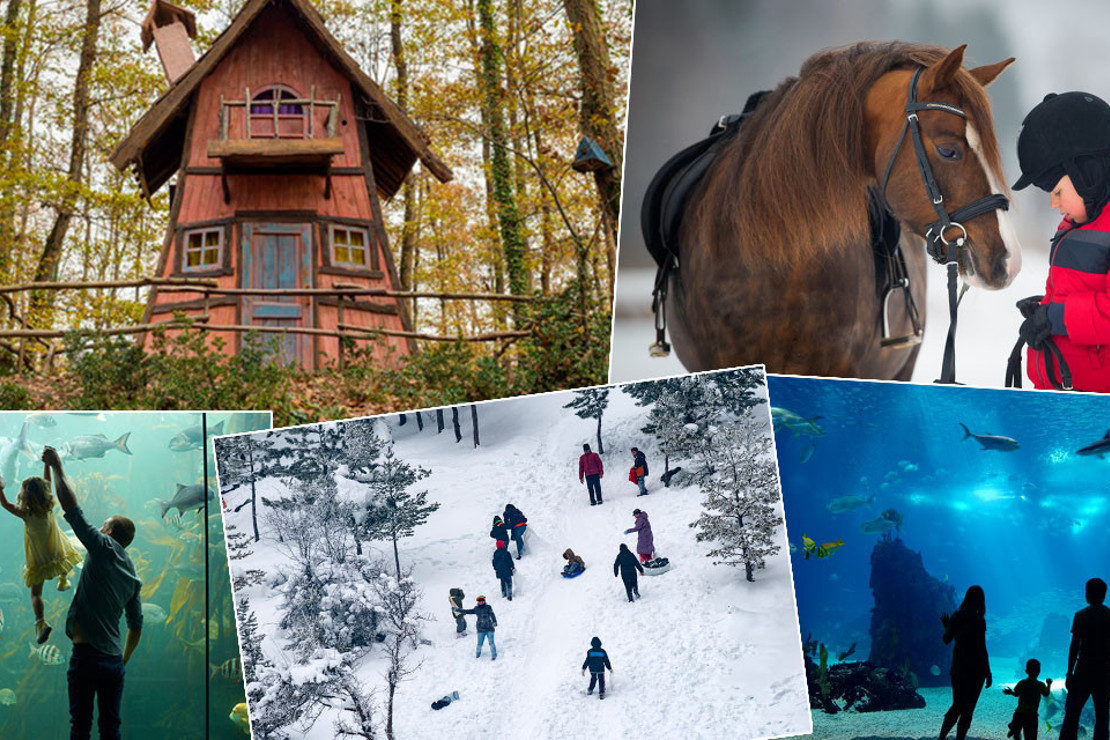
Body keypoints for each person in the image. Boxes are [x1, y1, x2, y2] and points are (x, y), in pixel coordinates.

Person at [1011, 91, 1110, 391]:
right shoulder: (1076, 225)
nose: (1055, 205)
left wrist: (1058, 317)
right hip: (1067, 403)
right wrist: (1044, 312)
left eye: (1056, 192)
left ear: (1088, 172)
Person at [42, 445, 142, 740]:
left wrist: (58, 466)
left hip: (87, 657)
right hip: (113, 663)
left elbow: (72, 511)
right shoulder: (132, 575)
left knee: (80, 728)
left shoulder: (102, 547)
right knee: (111, 728)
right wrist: (121, 661)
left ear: (109, 533)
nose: (98, 529)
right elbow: (136, 626)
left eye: (103, 526)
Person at [0, 470, 83, 644]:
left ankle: (40, 623)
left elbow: (5, 504)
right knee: (66, 555)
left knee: (36, 594)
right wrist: (46, 463)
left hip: (39, 559)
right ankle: (63, 579)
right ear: (45, 493)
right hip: (56, 552)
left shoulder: (25, 514)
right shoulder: (49, 508)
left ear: (24, 496)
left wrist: (0, 487)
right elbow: (48, 481)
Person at [938, 585, 992, 740]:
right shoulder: (979, 620)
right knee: (968, 709)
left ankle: (941, 737)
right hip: (977, 670)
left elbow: (946, 640)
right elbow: (982, 648)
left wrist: (947, 626)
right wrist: (988, 672)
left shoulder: (956, 616)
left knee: (957, 705)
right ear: (980, 601)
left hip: (959, 668)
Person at [1059, 577, 1110, 740]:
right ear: (1104, 595)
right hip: (1104, 671)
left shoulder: (1081, 615)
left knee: (1072, 713)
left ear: (1087, 594)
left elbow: (1074, 646)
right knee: (1102, 715)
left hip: (1083, 669)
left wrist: (1069, 672)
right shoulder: (1109, 616)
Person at [1003, 658, 1051, 740]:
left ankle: (1013, 728)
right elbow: (1046, 694)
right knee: (1031, 736)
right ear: (1039, 672)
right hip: (1032, 715)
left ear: (1026, 671)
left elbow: (1016, 694)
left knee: (1017, 731)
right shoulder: (1040, 685)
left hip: (1020, 713)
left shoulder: (1022, 683)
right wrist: (1049, 684)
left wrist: (1010, 692)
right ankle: (1014, 728)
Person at [459, 595, 497, 661]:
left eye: (482, 601)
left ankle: (494, 655)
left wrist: (494, 621)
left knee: (491, 643)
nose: (481, 602)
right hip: (480, 629)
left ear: (484, 601)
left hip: (489, 628)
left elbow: (492, 614)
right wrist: (459, 610)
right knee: (479, 644)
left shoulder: (488, 607)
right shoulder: (476, 609)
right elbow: (468, 611)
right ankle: (477, 655)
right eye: (479, 601)